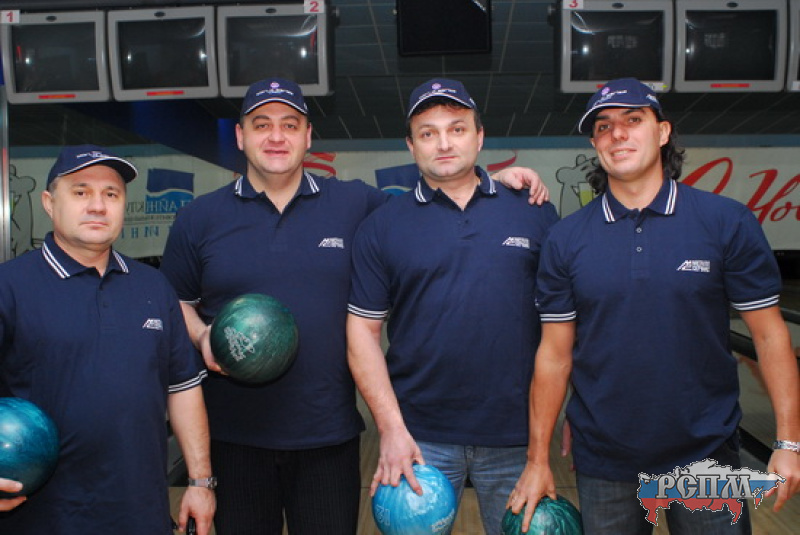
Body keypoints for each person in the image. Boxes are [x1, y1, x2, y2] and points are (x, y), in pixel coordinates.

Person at [159, 77, 549, 535]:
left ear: (308, 136)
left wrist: (494, 184)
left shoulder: (355, 203)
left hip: (329, 435)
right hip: (234, 433)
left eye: (290, 124)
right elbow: (172, 301)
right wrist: (202, 335)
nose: (276, 136)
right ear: (240, 136)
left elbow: (437, 200)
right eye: (261, 124)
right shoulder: (198, 218)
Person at [509, 78, 800, 534]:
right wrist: (536, 459)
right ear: (594, 144)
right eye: (603, 126)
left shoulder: (725, 221)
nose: (617, 134)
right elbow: (554, 355)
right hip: (605, 456)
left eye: (633, 119)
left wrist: (788, 442)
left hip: (706, 452)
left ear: (663, 132)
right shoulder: (566, 239)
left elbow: (768, 334)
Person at [346, 78, 560, 533]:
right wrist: (390, 429)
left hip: (517, 435)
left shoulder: (533, 209)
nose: (443, 143)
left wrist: (548, 436)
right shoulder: (382, 226)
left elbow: (562, 328)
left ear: (479, 137)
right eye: (428, 133)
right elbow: (361, 333)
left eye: (457, 129)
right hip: (419, 437)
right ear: (411, 145)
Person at [0, 145, 215, 534]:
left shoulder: (154, 287)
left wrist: (200, 481)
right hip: (41, 517)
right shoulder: (9, 286)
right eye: (81, 192)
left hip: (140, 512)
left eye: (111, 194)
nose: (98, 206)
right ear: (49, 203)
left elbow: (183, 388)